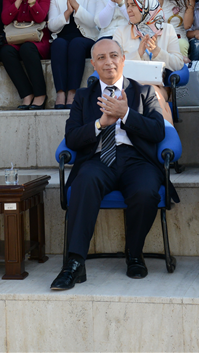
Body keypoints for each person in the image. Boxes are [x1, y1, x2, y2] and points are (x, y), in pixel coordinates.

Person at [50, 38, 175, 290]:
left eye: (114, 55)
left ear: (123, 59)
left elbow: (157, 131)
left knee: (145, 191)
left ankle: (134, 253)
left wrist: (125, 114)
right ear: (93, 64)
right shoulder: (83, 97)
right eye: (101, 58)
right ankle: (74, 263)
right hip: (98, 159)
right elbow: (72, 138)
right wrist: (100, 124)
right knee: (84, 182)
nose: (109, 62)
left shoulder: (144, 92)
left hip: (137, 160)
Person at [49, 0, 100, 109]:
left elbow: (93, 22)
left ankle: (72, 92)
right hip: (63, 37)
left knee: (76, 44)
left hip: (86, 37)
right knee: (58, 44)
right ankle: (60, 92)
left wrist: (75, 5)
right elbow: (52, 26)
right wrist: (68, 11)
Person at [0, 0, 50, 110]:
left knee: (27, 48)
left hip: (37, 40)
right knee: (5, 51)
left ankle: (40, 94)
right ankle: (27, 94)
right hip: (16, 38)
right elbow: (5, 19)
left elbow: (40, 18)